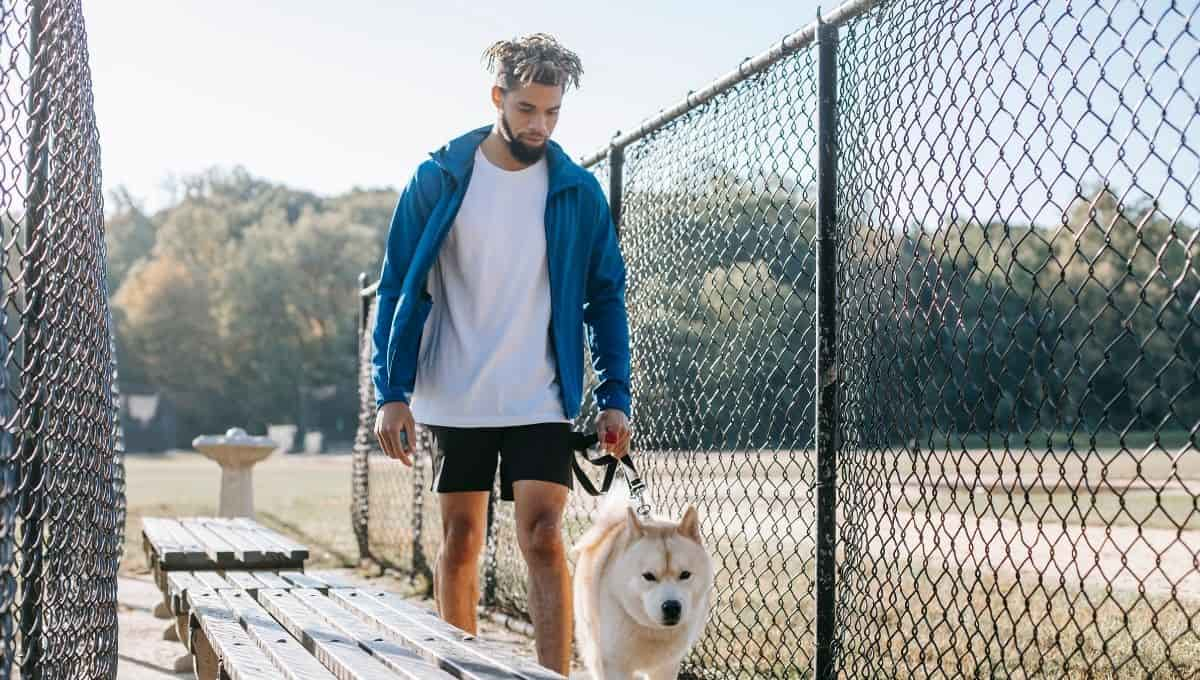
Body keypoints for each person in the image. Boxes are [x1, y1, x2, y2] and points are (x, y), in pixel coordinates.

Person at [370, 33, 632, 674]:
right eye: (526, 110)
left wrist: (613, 397)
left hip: (539, 392)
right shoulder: (439, 177)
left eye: (552, 112)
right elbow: (400, 279)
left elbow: (605, 295)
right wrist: (391, 392)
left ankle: (552, 674)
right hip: (454, 390)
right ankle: (460, 668)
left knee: (543, 537)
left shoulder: (576, 190)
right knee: (461, 543)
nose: (540, 124)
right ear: (498, 98)